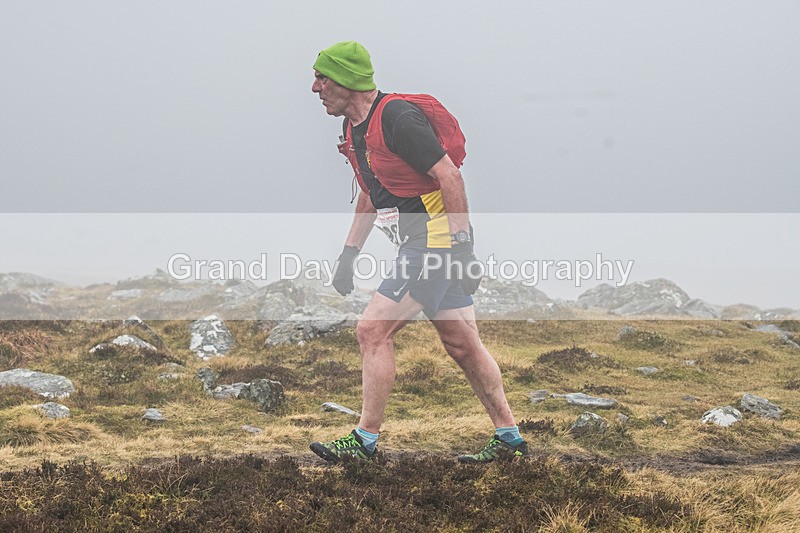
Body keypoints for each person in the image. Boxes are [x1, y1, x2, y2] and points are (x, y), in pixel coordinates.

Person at [308, 41, 527, 464]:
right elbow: (372, 193)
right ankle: (508, 437)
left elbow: (449, 176)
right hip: (418, 239)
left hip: (435, 240)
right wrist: (349, 253)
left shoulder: (396, 118)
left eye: (322, 78)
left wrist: (462, 248)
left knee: (372, 331)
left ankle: (364, 440)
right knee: (462, 344)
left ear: (347, 81)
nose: (315, 88)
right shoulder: (355, 128)